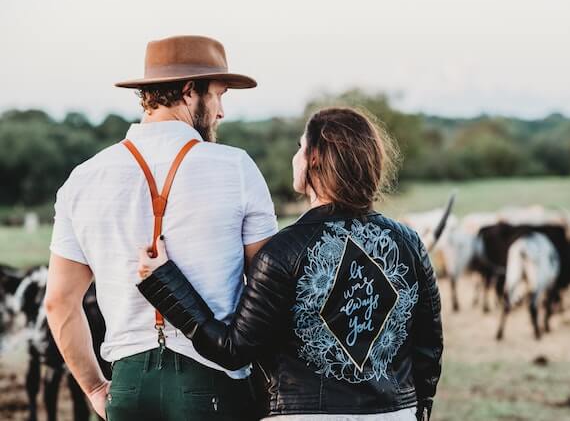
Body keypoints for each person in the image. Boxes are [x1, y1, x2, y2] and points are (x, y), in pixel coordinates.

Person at [137, 107, 444, 420]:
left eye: (300, 147)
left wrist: (164, 280)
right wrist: (420, 407)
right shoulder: (409, 242)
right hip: (397, 414)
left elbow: (233, 350)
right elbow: (428, 349)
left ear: (314, 159)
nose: (295, 157)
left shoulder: (282, 251)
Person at [44, 35, 278, 421]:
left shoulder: (83, 179)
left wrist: (94, 387)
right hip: (215, 383)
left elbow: (59, 302)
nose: (221, 112)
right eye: (219, 95)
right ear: (189, 92)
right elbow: (267, 288)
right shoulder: (235, 167)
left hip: (129, 387)